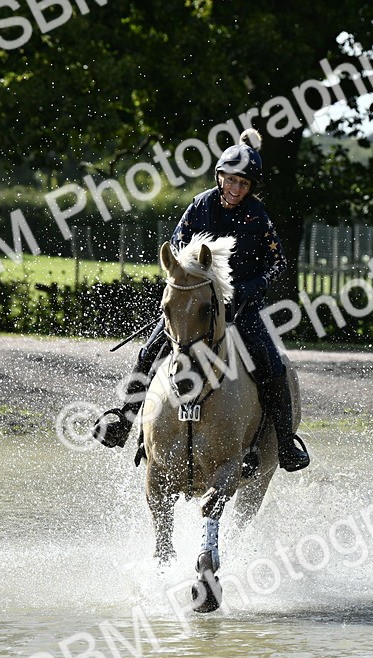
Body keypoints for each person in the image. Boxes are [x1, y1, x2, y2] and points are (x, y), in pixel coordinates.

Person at [92, 128, 310, 472]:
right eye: (231, 181)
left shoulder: (259, 216)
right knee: (150, 351)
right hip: (197, 307)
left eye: (244, 184)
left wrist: (247, 290)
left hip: (241, 309)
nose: (237, 189)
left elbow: (278, 263)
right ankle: (124, 418)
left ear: (251, 187)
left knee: (273, 363)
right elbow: (177, 253)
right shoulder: (200, 206)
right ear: (220, 177)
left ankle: (284, 442)